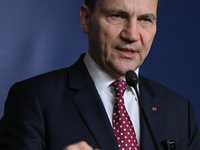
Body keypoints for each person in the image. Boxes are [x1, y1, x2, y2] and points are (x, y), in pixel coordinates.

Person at [0, 0, 199, 149]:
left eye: (145, 19)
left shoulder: (180, 112)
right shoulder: (34, 100)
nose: (132, 34)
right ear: (86, 19)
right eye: (117, 16)